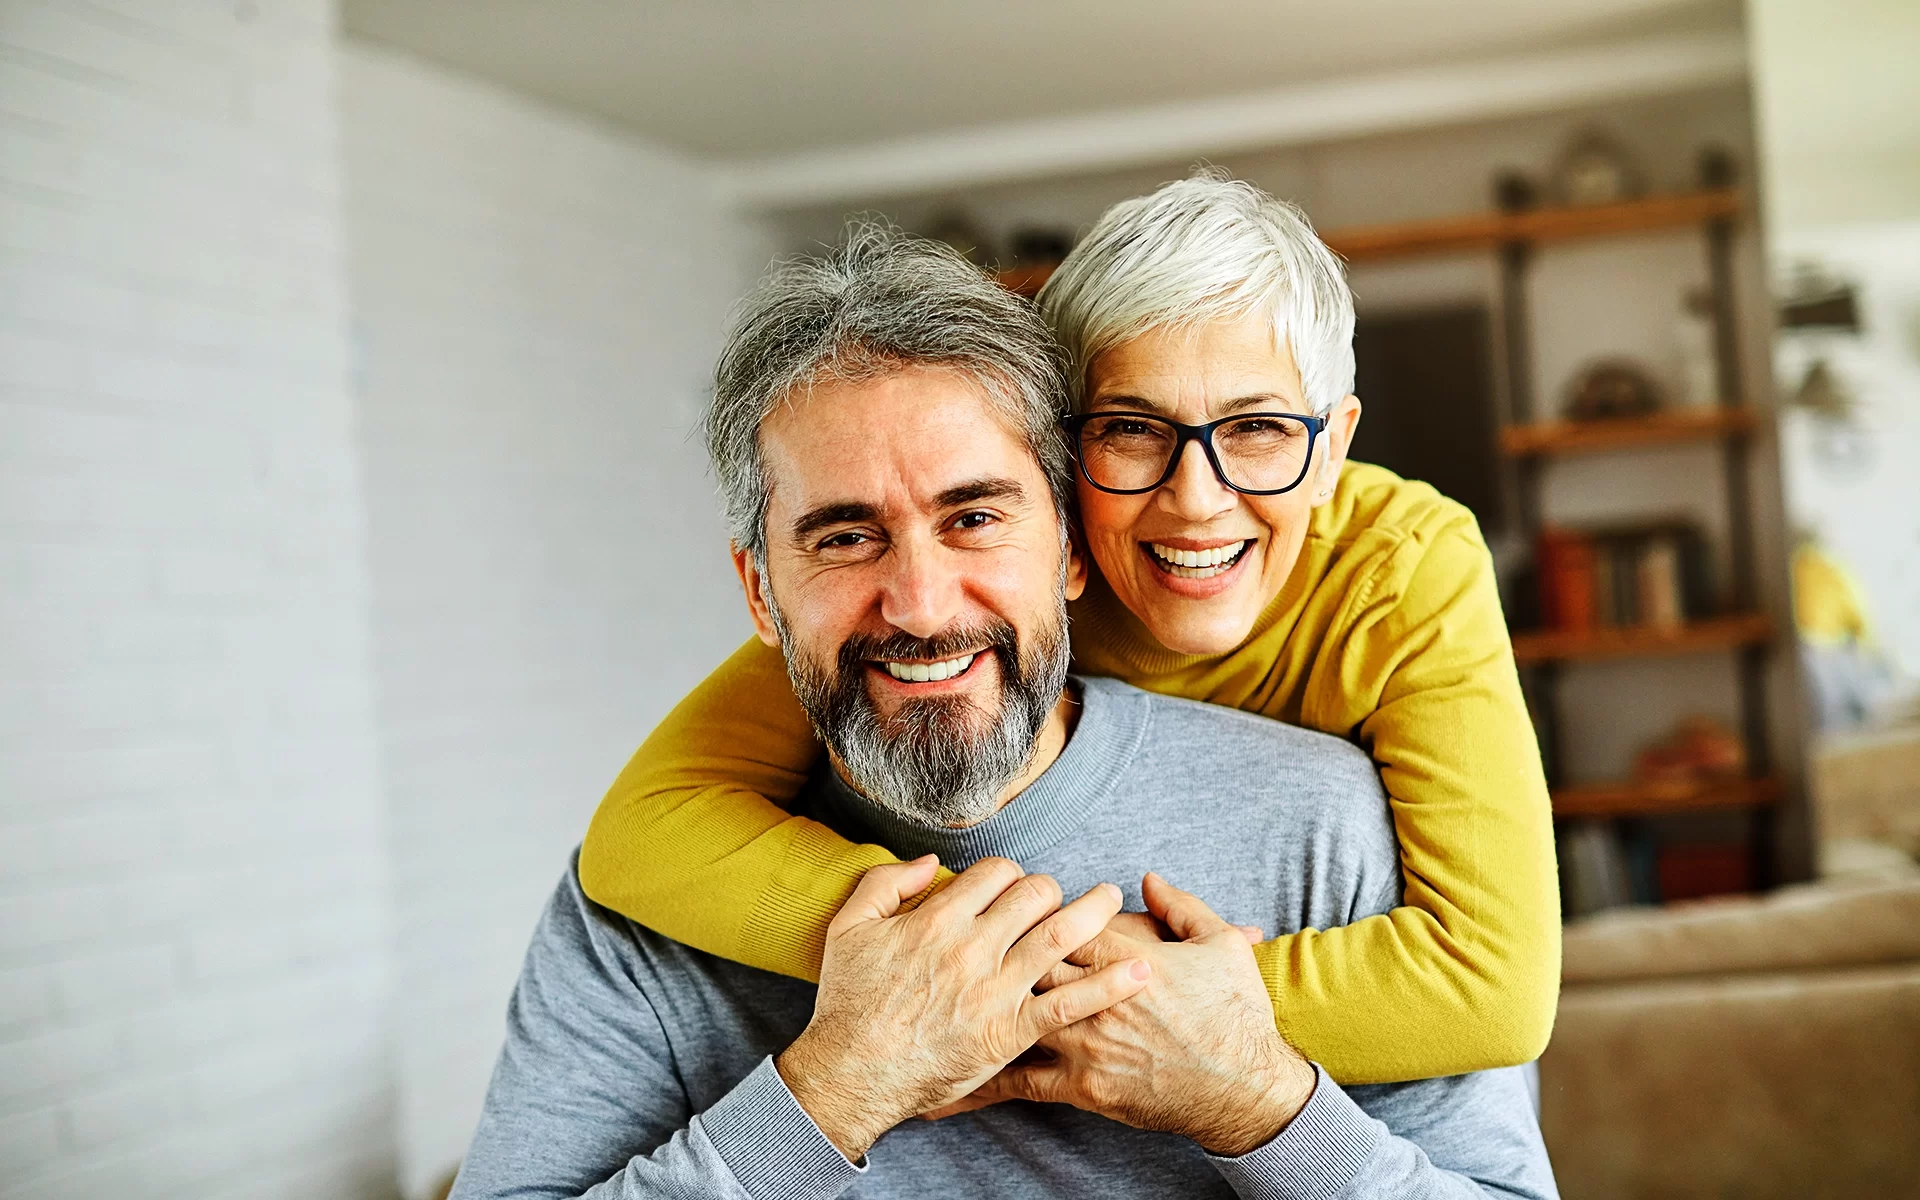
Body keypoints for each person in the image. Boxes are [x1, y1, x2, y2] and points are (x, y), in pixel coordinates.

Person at [451, 229, 1556, 1198]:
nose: (921, 606)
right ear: (758, 593)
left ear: (1070, 543)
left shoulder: (1325, 821)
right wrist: (834, 1087)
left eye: (974, 517)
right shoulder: (641, 910)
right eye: (843, 537)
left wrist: (1258, 1100)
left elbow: (1493, 1001)